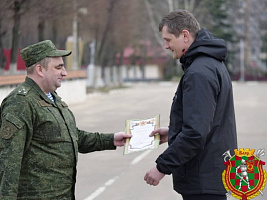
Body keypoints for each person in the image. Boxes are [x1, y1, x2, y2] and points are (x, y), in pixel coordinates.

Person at [0, 40, 131, 199]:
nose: (64, 73)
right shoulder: (21, 103)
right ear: (40, 70)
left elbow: (73, 137)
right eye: (58, 67)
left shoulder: (53, 98)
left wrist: (111, 140)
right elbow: (9, 163)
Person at [144, 10, 237, 200]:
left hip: (203, 180)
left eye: (168, 39)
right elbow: (207, 122)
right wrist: (173, 132)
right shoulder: (210, 64)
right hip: (210, 176)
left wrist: (162, 167)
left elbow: (196, 133)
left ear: (185, 35)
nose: (166, 45)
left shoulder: (199, 72)